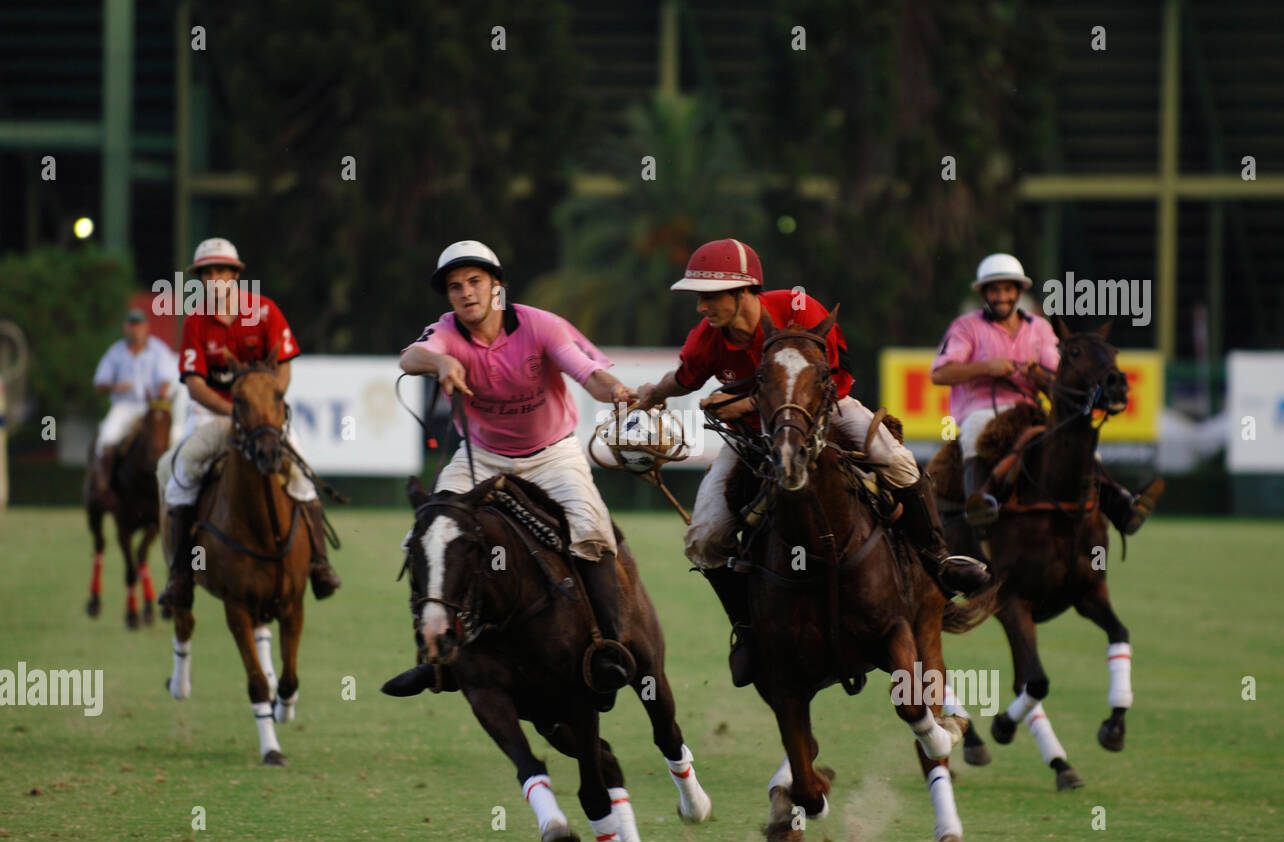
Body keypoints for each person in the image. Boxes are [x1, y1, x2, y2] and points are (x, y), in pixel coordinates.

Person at [629, 239, 990, 688]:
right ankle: (747, 628)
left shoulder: (798, 310)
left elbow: (831, 377)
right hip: (753, 442)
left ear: (745, 291)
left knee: (895, 462)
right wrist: (650, 395)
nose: (701, 307)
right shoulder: (707, 339)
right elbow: (682, 379)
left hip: (824, 413)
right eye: (698, 297)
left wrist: (743, 404)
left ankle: (940, 561)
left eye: (710, 295)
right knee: (703, 539)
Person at [398, 240, 639, 694]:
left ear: (496, 286)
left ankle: (610, 646)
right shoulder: (446, 332)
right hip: (481, 458)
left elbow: (588, 374)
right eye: (455, 286)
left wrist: (619, 392)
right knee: (427, 534)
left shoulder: (540, 325)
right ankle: (435, 652)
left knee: (592, 532)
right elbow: (409, 358)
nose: (466, 293)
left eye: (475, 282)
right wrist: (440, 359)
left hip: (552, 454)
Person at [157, 237, 341, 610]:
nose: (215, 279)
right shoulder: (196, 322)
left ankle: (320, 564)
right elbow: (194, 385)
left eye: (222, 271)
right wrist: (234, 413)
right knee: (180, 477)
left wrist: (264, 407)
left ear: (235, 275)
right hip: (215, 416)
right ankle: (180, 576)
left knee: (302, 475)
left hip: (262, 419)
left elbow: (284, 368)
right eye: (207, 273)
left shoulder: (266, 311)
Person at [930, 252, 1163, 534]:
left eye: (1007, 289)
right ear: (983, 293)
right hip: (983, 411)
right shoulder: (966, 327)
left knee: (1079, 445)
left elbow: (1059, 377)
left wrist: (1040, 376)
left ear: (1018, 291)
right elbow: (940, 373)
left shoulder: (1039, 328)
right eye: (994, 289)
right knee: (974, 433)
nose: (1001, 296)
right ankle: (980, 506)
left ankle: (1121, 506)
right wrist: (986, 367)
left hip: (1030, 411)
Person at [90, 308, 176, 504]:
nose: (134, 329)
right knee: (106, 437)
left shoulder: (159, 350)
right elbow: (99, 383)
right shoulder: (115, 352)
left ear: (146, 327)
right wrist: (115, 386)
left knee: (175, 439)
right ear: (125, 327)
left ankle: (175, 486)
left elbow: (166, 379)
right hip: (125, 406)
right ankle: (104, 484)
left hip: (153, 407)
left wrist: (159, 396)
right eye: (131, 325)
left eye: (138, 325)